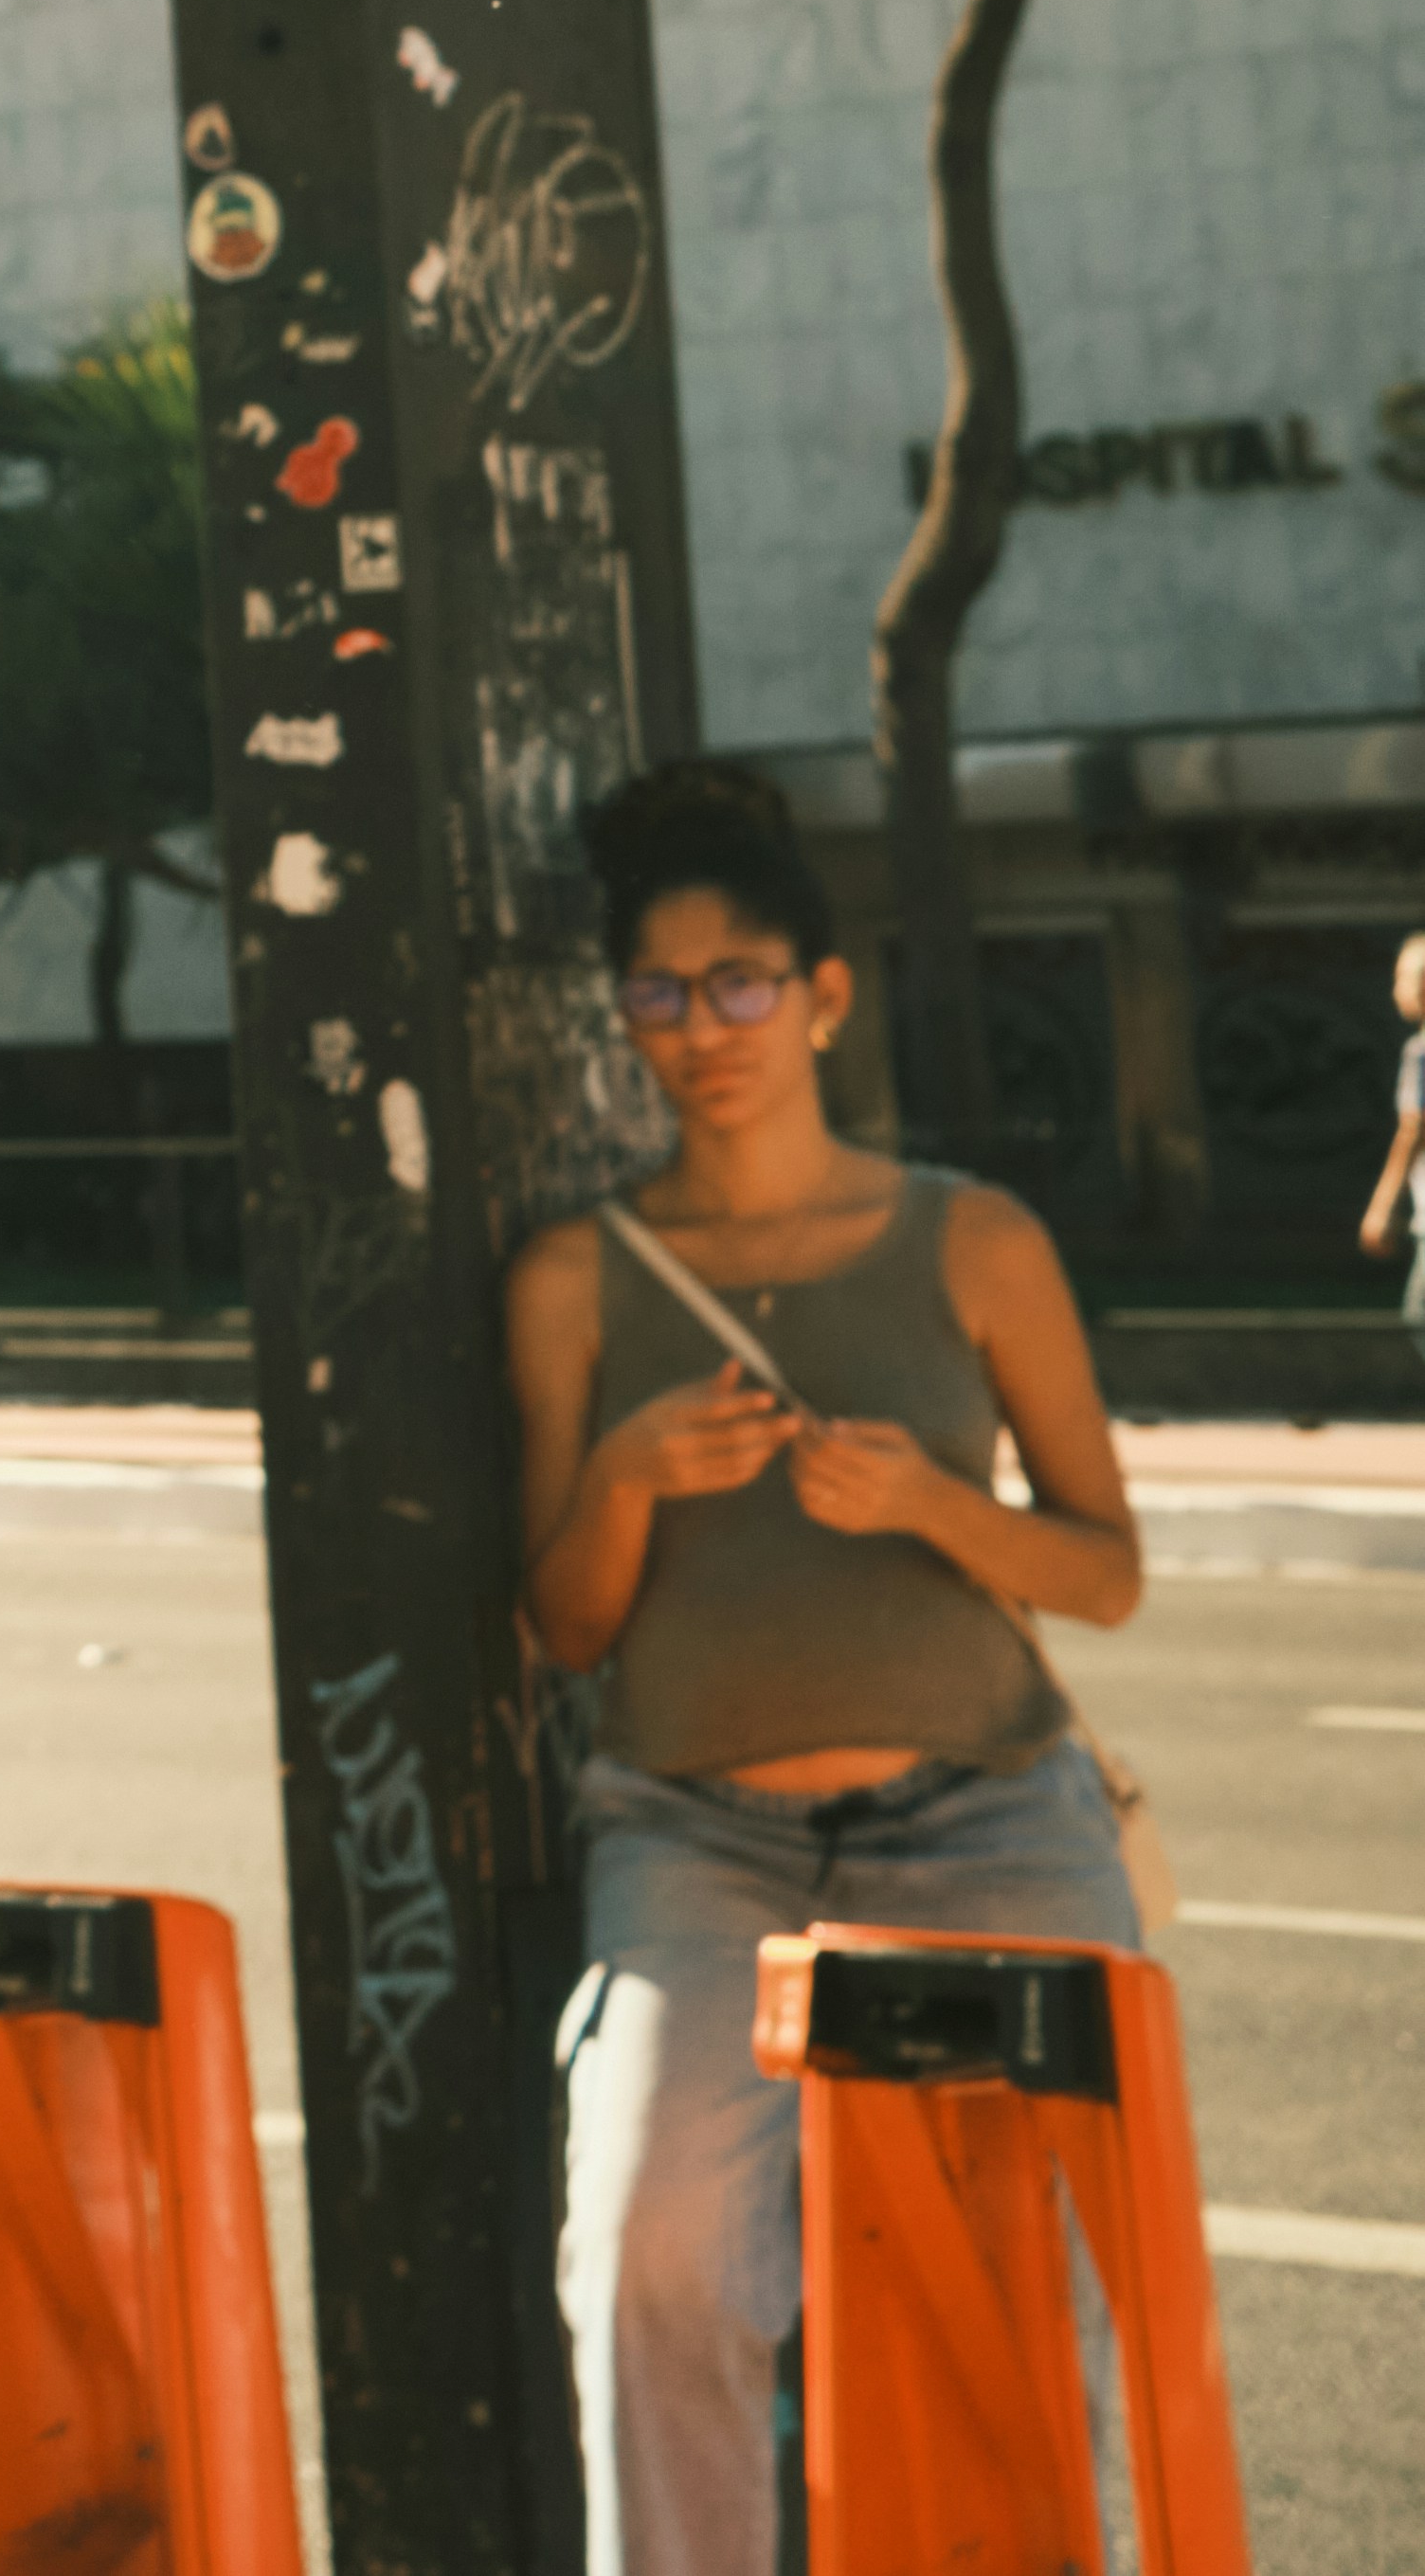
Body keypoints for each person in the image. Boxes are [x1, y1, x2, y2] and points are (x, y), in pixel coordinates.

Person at [503, 760, 1147, 2576]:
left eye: (737, 985)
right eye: (654, 990)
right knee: (641, 2256)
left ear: (818, 997)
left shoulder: (971, 1238)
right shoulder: (574, 1274)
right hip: (696, 1847)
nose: (696, 1027)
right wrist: (625, 1474)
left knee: (1035, 2288)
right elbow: (559, 1624)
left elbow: (1105, 1576)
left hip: (989, 1824)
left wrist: (937, 1504)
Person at [1358, 928, 1425, 1363]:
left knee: (1420, 1312)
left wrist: (1383, 1204)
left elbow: (1414, 1127)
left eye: (1402, 977)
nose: (1395, 989)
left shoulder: (1420, 1052)